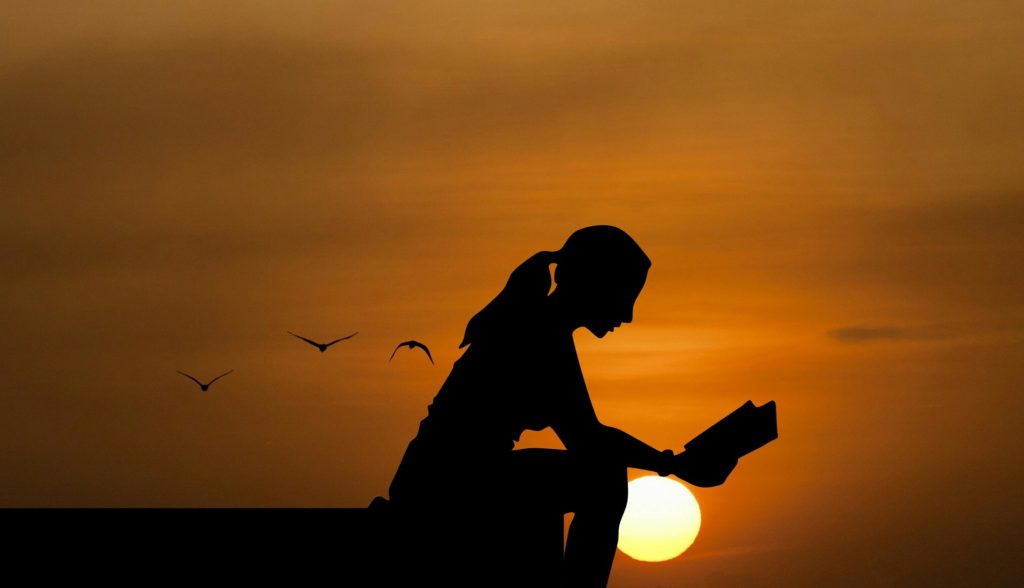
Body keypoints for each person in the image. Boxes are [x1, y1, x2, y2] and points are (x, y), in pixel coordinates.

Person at [386, 225, 736, 587]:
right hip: (445, 486)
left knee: (591, 475)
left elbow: (588, 434)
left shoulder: (540, 327)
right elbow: (592, 441)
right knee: (605, 478)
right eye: (625, 294)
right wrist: (673, 464)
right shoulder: (539, 334)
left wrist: (671, 464)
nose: (629, 314)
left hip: (448, 478)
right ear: (596, 283)